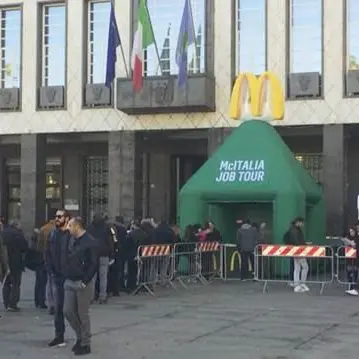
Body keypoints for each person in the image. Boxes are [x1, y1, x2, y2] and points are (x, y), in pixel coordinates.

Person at [63, 217, 98, 356]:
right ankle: (80, 336)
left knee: (82, 314)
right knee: (68, 311)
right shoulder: (71, 240)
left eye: (70, 225)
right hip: (69, 280)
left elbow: (93, 263)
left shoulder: (89, 242)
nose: (67, 228)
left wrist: (85, 280)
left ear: (77, 226)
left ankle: (85, 343)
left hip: (82, 282)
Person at [45, 210, 71, 347]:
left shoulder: (72, 234)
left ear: (67, 218)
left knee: (73, 310)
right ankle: (59, 336)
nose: (57, 219)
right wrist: (50, 269)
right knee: (58, 309)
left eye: (60, 216)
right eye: (56, 216)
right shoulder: (52, 234)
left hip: (71, 277)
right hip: (57, 276)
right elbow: (47, 253)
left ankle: (82, 337)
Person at [87, 213, 113, 304]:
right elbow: (110, 241)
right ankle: (103, 296)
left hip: (93, 253)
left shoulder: (89, 227)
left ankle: (91, 297)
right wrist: (111, 253)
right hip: (104, 253)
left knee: (92, 277)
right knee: (103, 276)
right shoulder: (107, 227)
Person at [2, 221, 28, 312]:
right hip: (16, 262)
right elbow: (25, 247)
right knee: (16, 283)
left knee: (6, 283)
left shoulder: (3, 233)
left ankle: (6, 303)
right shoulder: (18, 234)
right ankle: (12, 304)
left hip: (5, 262)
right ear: (16, 225)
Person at [286, 217, 309, 293]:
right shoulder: (296, 230)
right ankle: (302, 283)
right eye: (302, 222)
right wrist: (304, 246)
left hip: (295, 250)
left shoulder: (293, 229)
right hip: (299, 250)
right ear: (298, 222)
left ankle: (297, 284)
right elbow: (297, 241)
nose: (303, 224)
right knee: (305, 267)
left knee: (297, 268)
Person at [341, 227, 359, 296]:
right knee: (349, 273)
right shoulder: (349, 237)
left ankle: (354, 288)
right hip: (349, 258)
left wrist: (349, 242)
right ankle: (351, 287)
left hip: (355, 258)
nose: (351, 233)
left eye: (352, 231)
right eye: (350, 231)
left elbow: (354, 245)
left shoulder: (357, 238)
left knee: (355, 273)